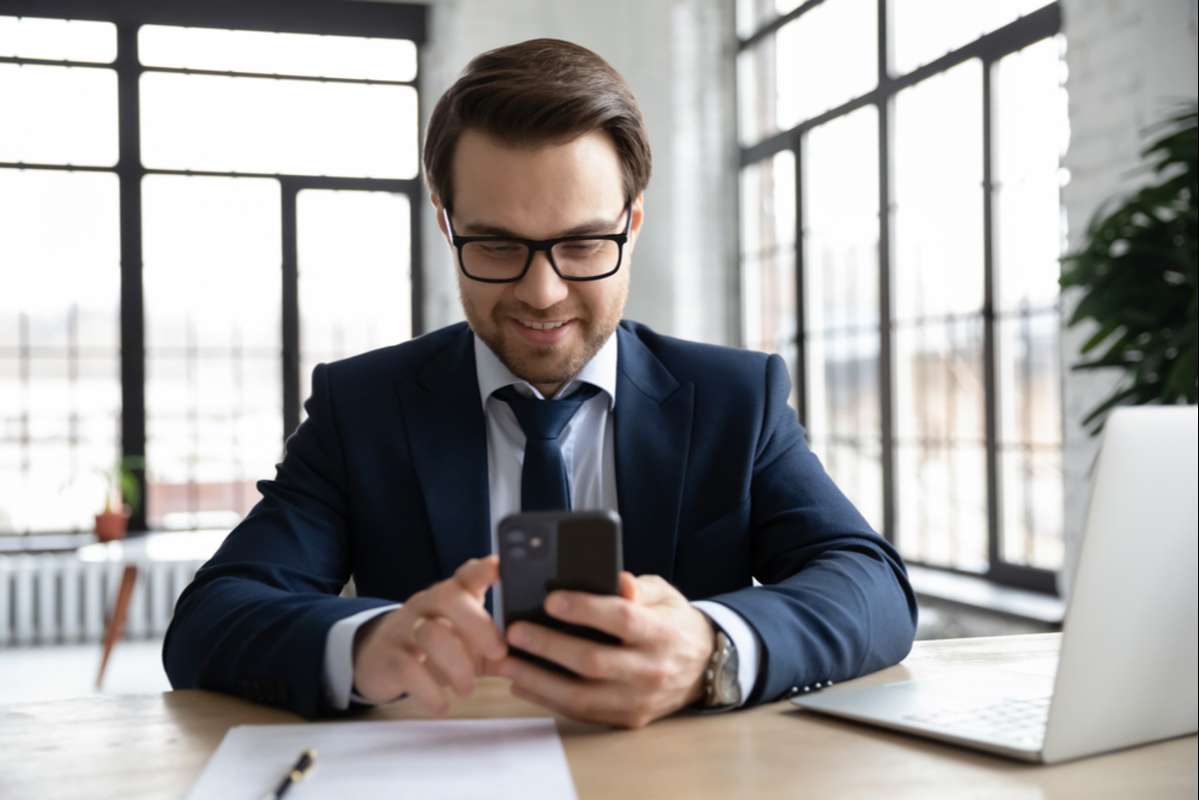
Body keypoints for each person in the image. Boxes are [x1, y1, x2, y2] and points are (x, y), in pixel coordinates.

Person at [163, 38, 917, 728]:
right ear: (445, 224)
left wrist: (711, 647)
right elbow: (212, 617)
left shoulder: (733, 398)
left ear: (634, 222)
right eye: (494, 245)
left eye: (584, 243)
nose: (543, 294)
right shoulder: (361, 408)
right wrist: (363, 644)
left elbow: (870, 586)